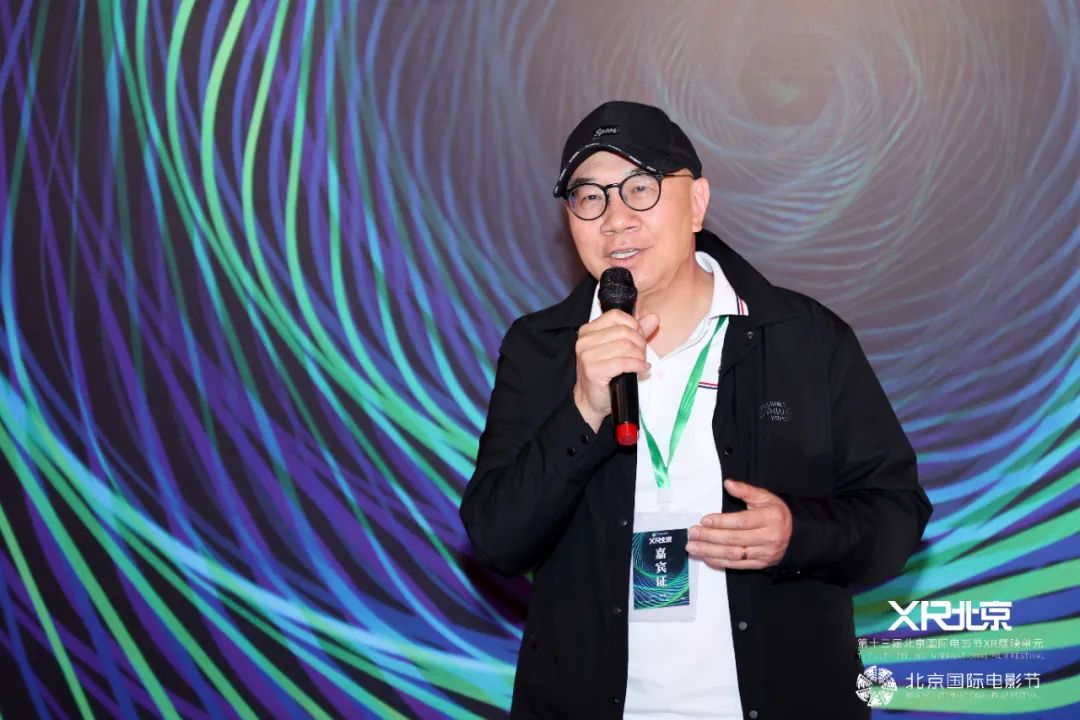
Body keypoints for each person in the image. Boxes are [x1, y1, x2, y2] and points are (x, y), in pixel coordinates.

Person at [460, 100, 932, 719]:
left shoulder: (802, 337)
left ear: (697, 202)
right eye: (589, 197)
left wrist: (798, 534)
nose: (615, 220)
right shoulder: (542, 349)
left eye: (641, 188)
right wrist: (582, 409)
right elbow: (496, 539)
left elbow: (897, 514)